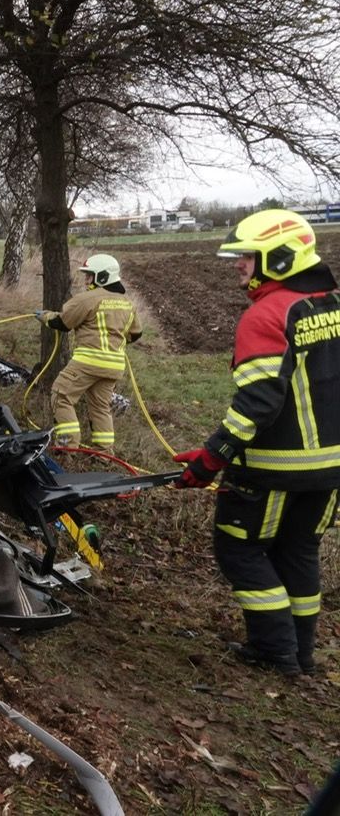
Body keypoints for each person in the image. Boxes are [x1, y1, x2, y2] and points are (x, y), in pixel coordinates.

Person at [172, 209, 340, 677]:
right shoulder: (332, 306)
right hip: (331, 469)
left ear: (280, 259)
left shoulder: (266, 314)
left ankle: (274, 652)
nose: (238, 265)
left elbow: (258, 403)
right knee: (299, 551)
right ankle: (302, 655)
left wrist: (211, 458)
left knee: (240, 551)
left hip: (272, 468)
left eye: (247, 257)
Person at [35, 254, 142, 450]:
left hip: (88, 362)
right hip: (114, 367)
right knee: (101, 407)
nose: (86, 280)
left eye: (89, 276)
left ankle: (67, 447)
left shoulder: (87, 299)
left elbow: (63, 323)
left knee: (61, 395)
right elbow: (136, 334)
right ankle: (103, 454)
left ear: (102, 277)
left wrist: (45, 317)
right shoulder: (128, 303)